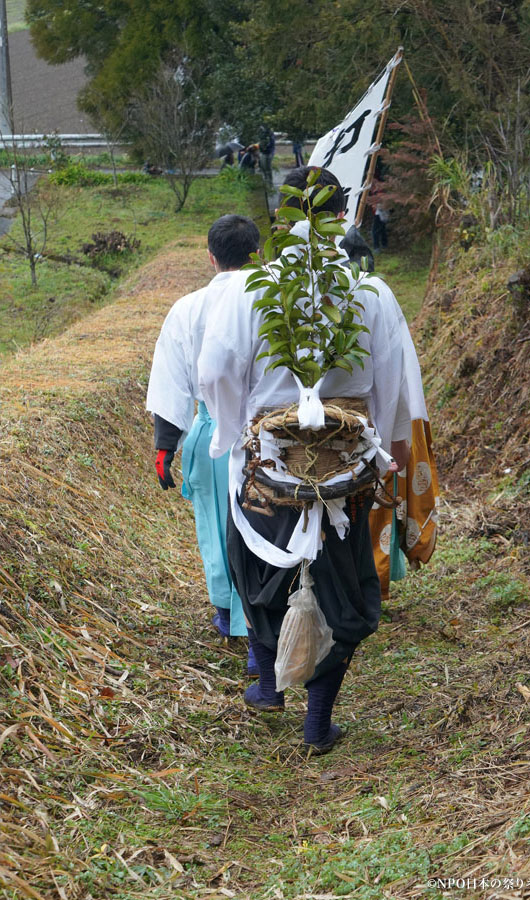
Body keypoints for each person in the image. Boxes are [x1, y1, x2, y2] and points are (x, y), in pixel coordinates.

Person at [198, 167, 428, 754]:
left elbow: (217, 370)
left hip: (266, 471)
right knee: (341, 590)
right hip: (345, 473)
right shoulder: (368, 291)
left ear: (282, 218)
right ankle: (317, 722)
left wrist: (231, 429)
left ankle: (275, 688)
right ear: (343, 214)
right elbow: (396, 386)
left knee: (263, 583)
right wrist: (379, 444)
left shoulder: (254, 288)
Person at [146, 214, 261, 673]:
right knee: (266, 529)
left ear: (210, 257)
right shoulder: (273, 301)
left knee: (216, 526)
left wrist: (165, 446)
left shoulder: (188, 308)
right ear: (257, 254)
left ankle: (228, 613)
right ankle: (264, 630)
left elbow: (172, 381)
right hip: (266, 433)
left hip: (211, 430)